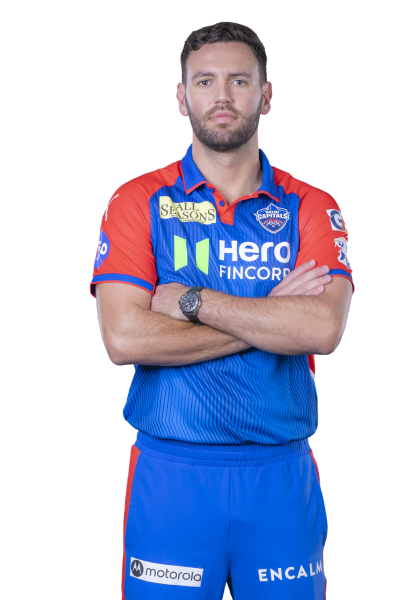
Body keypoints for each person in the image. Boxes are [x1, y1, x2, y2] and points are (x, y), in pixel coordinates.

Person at [90, 21, 353, 600]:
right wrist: (272, 316)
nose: (223, 95)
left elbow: (322, 329)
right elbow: (125, 339)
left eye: (240, 80)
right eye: (205, 81)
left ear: (266, 95)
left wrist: (193, 303)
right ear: (182, 97)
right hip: (172, 475)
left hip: (280, 475)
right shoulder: (138, 200)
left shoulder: (311, 206)